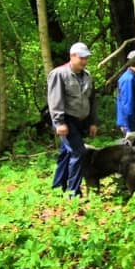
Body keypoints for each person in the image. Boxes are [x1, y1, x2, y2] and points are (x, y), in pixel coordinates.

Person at [47, 42, 99, 197]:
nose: (84, 61)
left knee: (66, 153)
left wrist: (93, 122)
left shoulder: (87, 76)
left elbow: (92, 100)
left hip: (81, 120)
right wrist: (59, 122)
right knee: (78, 152)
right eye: (81, 58)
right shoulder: (59, 74)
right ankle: (73, 192)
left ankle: (57, 186)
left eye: (86, 58)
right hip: (67, 120)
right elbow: (55, 99)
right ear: (72, 56)